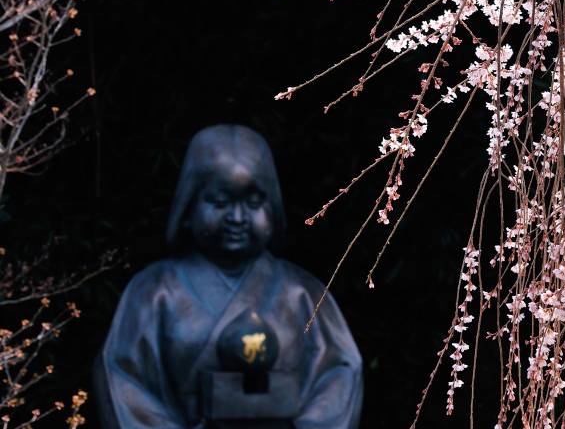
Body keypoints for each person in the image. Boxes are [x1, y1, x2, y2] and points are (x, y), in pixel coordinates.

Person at [94, 124, 363, 428]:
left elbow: (339, 374)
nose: (237, 218)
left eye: (253, 203)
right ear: (189, 206)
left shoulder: (302, 292)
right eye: (220, 202)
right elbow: (125, 381)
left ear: (273, 207)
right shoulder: (154, 292)